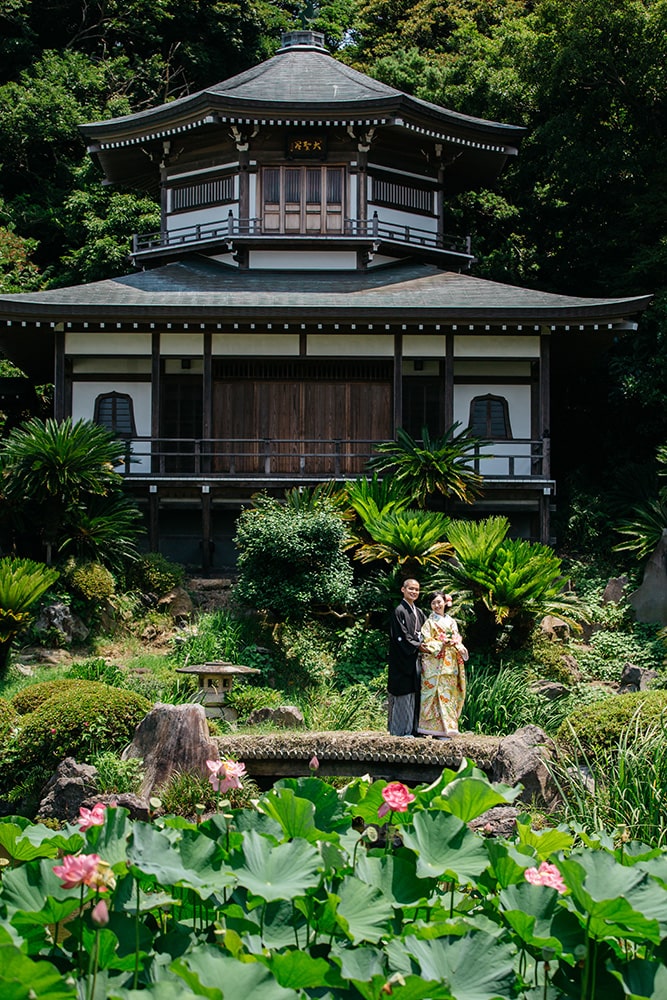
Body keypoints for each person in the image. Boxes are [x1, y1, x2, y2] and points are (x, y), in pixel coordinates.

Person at [417, 590, 468, 739]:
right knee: (435, 694)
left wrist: (459, 646)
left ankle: (448, 729)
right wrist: (441, 645)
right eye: (433, 603)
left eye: (439, 602)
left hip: (450, 663)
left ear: (445, 602)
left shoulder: (452, 621)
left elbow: (457, 639)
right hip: (436, 663)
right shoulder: (429, 622)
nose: (437, 605)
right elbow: (427, 641)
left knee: (448, 694)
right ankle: (432, 730)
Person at [388, 578, 426, 736]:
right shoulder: (399, 611)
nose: (414, 592)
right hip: (402, 660)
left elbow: (425, 632)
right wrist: (418, 646)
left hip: (414, 659)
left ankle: (414, 728)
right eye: (411, 589)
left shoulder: (419, 612)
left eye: (416, 589)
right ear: (403, 590)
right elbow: (401, 636)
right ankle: (401, 730)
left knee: (416, 692)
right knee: (403, 692)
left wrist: (428, 644)